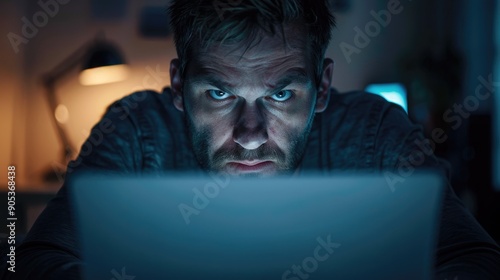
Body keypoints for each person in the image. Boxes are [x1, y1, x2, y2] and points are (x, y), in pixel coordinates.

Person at [2, 0, 500, 279]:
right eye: (219, 93)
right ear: (178, 87)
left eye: (282, 94)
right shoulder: (135, 129)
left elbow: (476, 261)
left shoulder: (374, 133)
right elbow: (28, 258)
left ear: (322, 88)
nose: (249, 135)